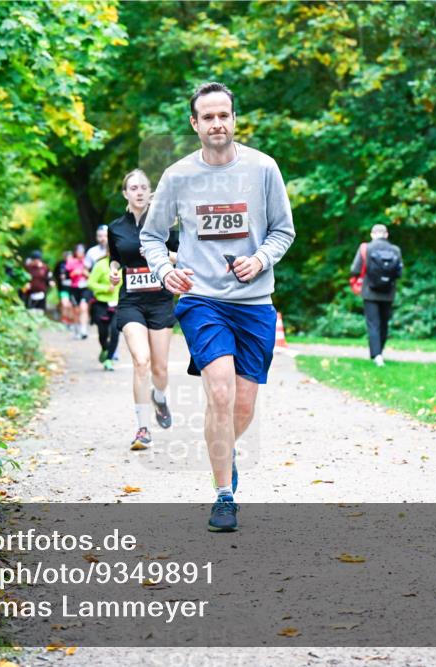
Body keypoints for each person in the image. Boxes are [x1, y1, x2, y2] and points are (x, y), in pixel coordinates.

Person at [140, 82, 295, 532]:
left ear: (234, 119)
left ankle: (223, 455)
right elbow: (152, 237)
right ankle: (223, 494)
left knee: (241, 405)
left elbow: (283, 231)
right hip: (201, 298)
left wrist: (260, 258)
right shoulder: (177, 176)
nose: (217, 124)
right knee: (220, 391)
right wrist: (164, 272)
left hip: (254, 302)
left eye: (223, 115)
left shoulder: (264, 169)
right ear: (195, 124)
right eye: (207, 117)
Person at [108, 169, 180, 451]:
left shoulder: (163, 224)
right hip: (131, 301)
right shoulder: (115, 228)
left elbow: (182, 255)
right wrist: (113, 273)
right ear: (126, 193)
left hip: (160, 300)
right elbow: (115, 259)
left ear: (149, 192)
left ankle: (159, 397)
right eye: (133, 188)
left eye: (143, 187)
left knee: (160, 368)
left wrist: (157, 253)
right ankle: (142, 429)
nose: (139, 192)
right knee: (141, 361)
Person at [350, 224, 403, 367]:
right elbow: (399, 273)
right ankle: (380, 352)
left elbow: (355, 268)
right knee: (384, 323)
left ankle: (377, 355)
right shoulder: (395, 250)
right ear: (386, 234)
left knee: (373, 324)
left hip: (370, 292)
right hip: (388, 293)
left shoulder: (366, 248)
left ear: (372, 234)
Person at [88, 252, 121, 370]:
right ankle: (105, 348)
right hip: (101, 304)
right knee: (103, 333)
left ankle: (109, 359)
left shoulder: (124, 264)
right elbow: (91, 283)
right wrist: (106, 288)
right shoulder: (100, 265)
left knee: (115, 330)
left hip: (117, 304)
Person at [65, 244, 91, 339]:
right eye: (79, 251)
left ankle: (84, 330)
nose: (80, 253)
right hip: (74, 288)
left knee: (84, 307)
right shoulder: (70, 262)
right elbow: (66, 276)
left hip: (85, 287)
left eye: (82, 251)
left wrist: (86, 273)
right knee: (76, 310)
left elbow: (93, 275)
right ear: (75, 252)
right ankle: (77, 329)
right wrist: (74, 273)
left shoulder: (88, 261)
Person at [55, 250, 74, 327]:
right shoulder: (60, 264)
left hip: (73, 289)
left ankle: (70, 320)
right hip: (63, 288)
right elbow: (55, 275)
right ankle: (64, 319)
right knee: (65, 304)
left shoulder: (75, 264)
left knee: (71, 305)